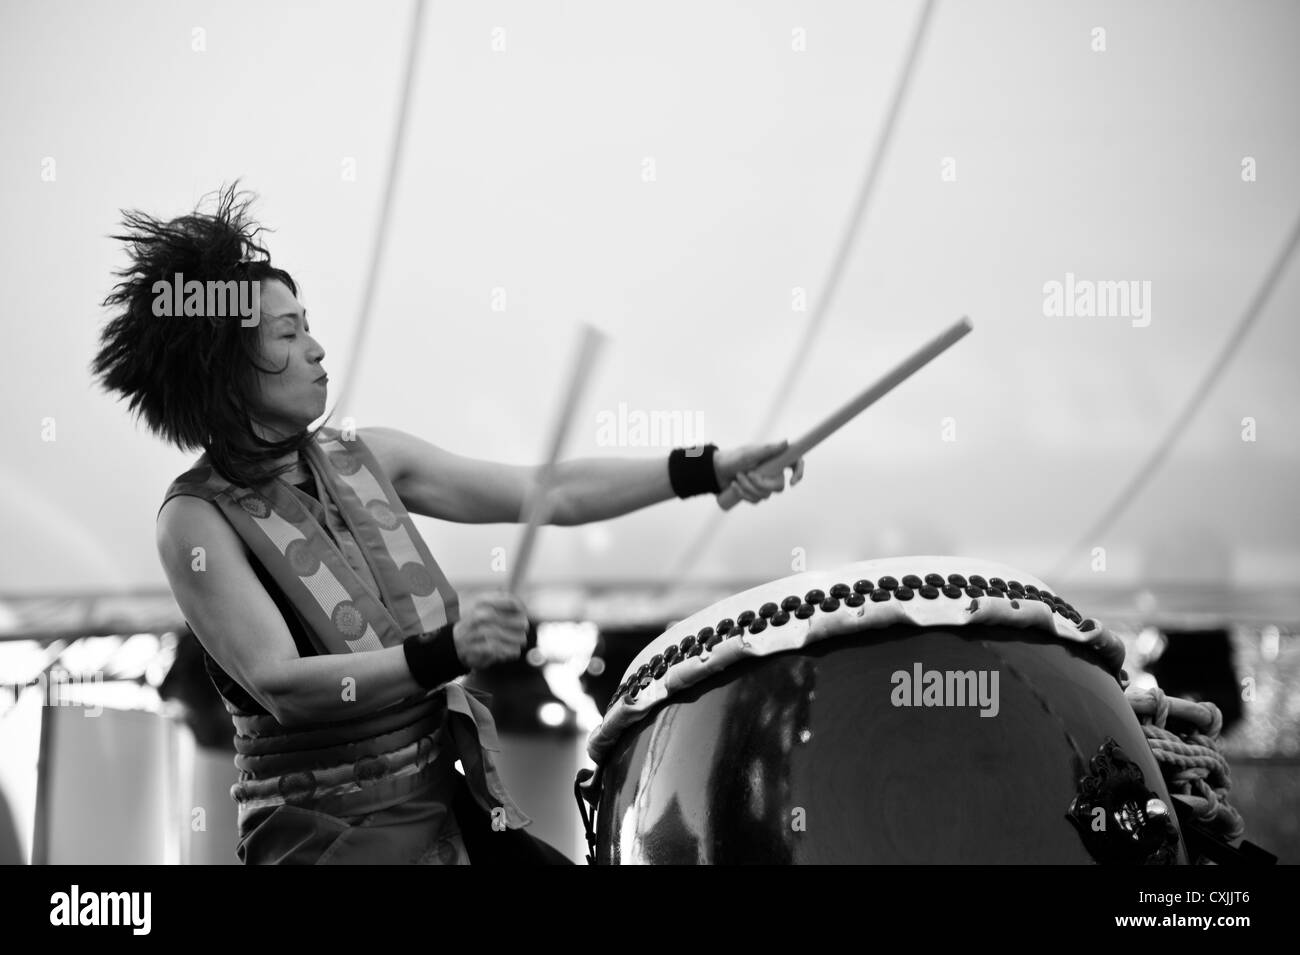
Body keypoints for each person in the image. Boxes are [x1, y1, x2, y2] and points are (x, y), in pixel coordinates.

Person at [90, 183, 805, 865]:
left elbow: (548, 492)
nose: (317, 350)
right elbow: (282, 683)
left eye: (309, 328)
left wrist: (706, 469)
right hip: (328, 842)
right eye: (288, 332)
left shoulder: (370, 457)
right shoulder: (195, 519)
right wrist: (446, 650)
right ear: (229, 369)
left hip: (441, 808)